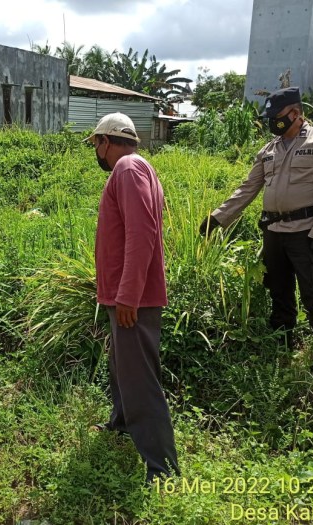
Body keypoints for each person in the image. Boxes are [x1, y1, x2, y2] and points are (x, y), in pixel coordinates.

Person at [199, 87, 313, 375]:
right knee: (279, 289)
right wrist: (218, 218)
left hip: (306, 232)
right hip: (274, 230)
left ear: (295, 113)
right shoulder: (269, 149)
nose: (272, 123)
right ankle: (283, 340)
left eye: (276, 117)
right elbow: (248, 188)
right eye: (270, 118)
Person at [87, 112, 181, 483]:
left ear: (106, 141)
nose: (95, 151)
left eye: (96, 144)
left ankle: (162, 467)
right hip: (127, 296)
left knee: (140, 377)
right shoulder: (135, 168)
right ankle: (122, 421)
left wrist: (127, 295)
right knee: (123, 365)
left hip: (134, 300)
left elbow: (142, 234)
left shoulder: (126, 168)